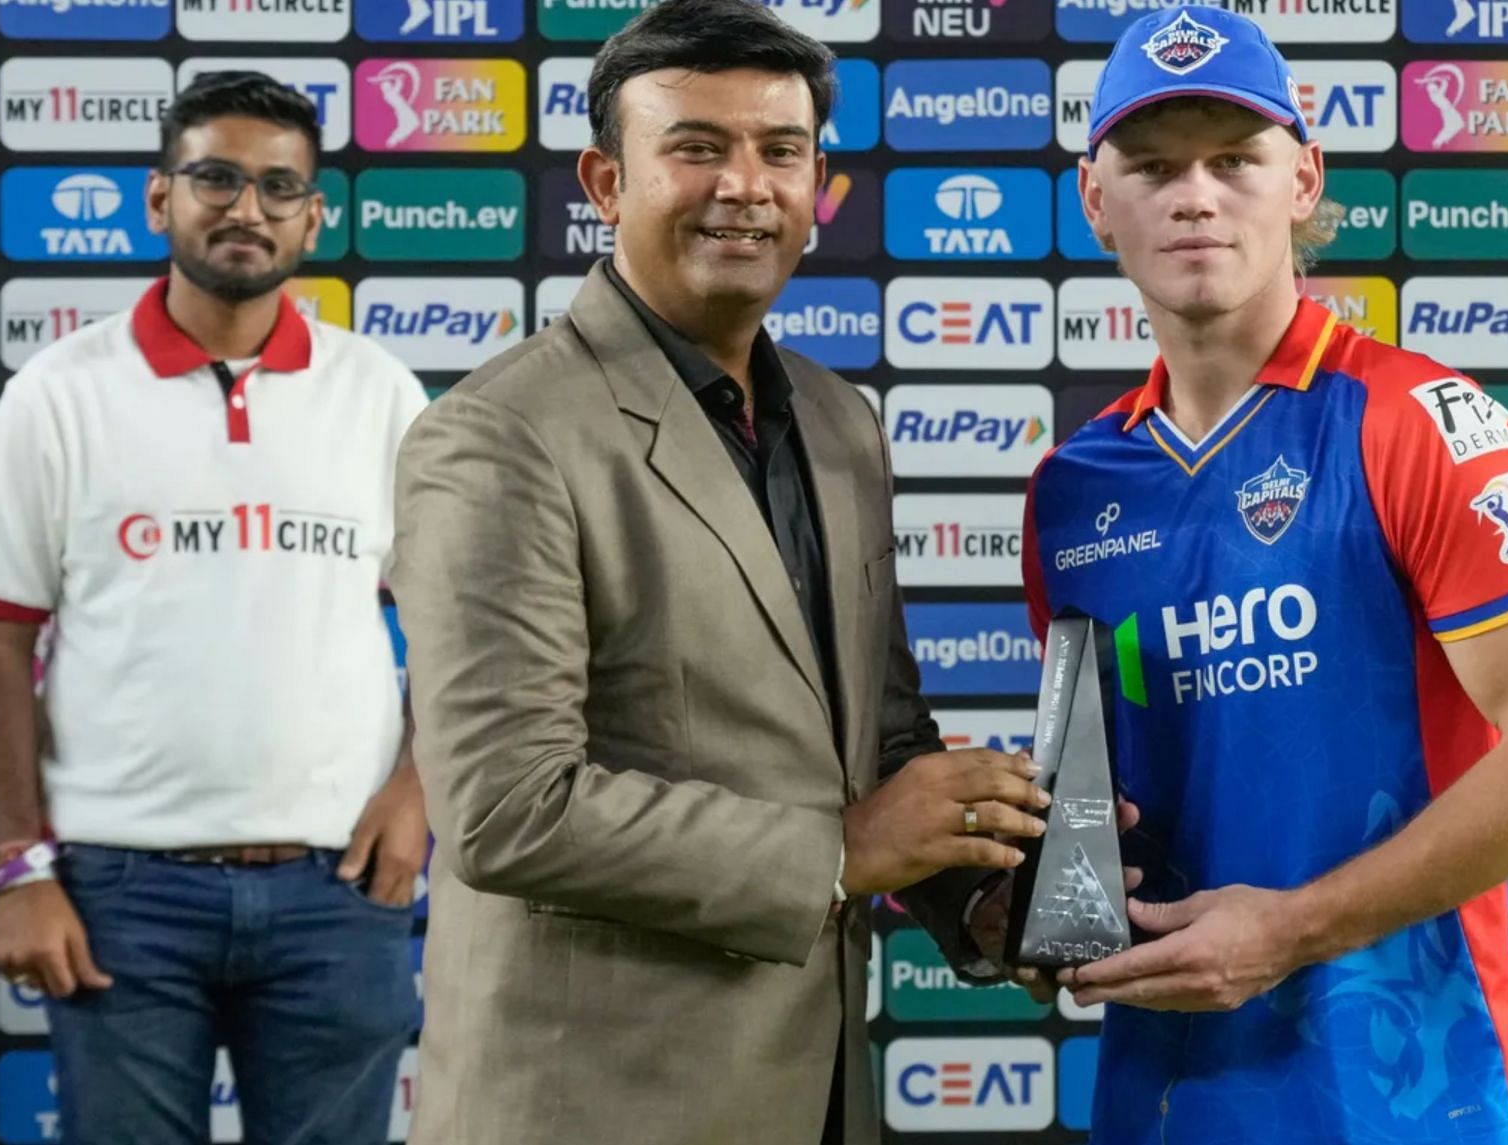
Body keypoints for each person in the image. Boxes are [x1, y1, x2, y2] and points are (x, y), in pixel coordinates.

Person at [387, 2, 1049, 1142]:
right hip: (596, 1103)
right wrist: (841, 851)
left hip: (821, 1089)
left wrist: (982, 896)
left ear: (817, 185)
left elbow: (877, 742)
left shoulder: (842, 423)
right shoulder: (500, 432)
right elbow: (506, 805)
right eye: (696, 147)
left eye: (780, 151)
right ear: (604, 181)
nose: (745, 184)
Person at [1001, 8, 1508, 1143]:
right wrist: (1041, 887)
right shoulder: (1071, 489)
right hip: (1161, 1096)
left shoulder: (1416, 419)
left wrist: (1288, 927)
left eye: (1234, 159)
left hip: (1406, 1096)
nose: (1195, 195)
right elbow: (1101, 811)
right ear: (1095, 203)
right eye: (1151, 166)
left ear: (1304, 178)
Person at [0, 71, 430, 1143]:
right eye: (216, 176)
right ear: (161, 197)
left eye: (277, 185)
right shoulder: (61, 393)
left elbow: (462, 628)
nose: (246, 208)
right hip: (119, 887)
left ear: (314, 213)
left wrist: (416, 786)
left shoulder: (380, 392)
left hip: (338, 887)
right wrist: (19, 868)